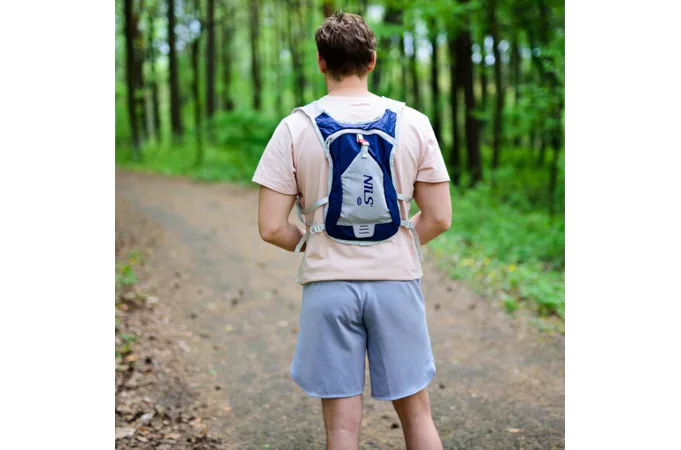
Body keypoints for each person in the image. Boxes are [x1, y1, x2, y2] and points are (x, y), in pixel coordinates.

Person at [252, 10, 451, 450]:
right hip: (396, 282)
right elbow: (439, 217)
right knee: (417, 415)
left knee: (341, 429)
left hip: (329, 286)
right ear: (372, 60)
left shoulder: (295, 127)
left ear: (321, 62)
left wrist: (311, 243)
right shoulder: (413, 123)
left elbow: (271, 227)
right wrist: (396, 243)